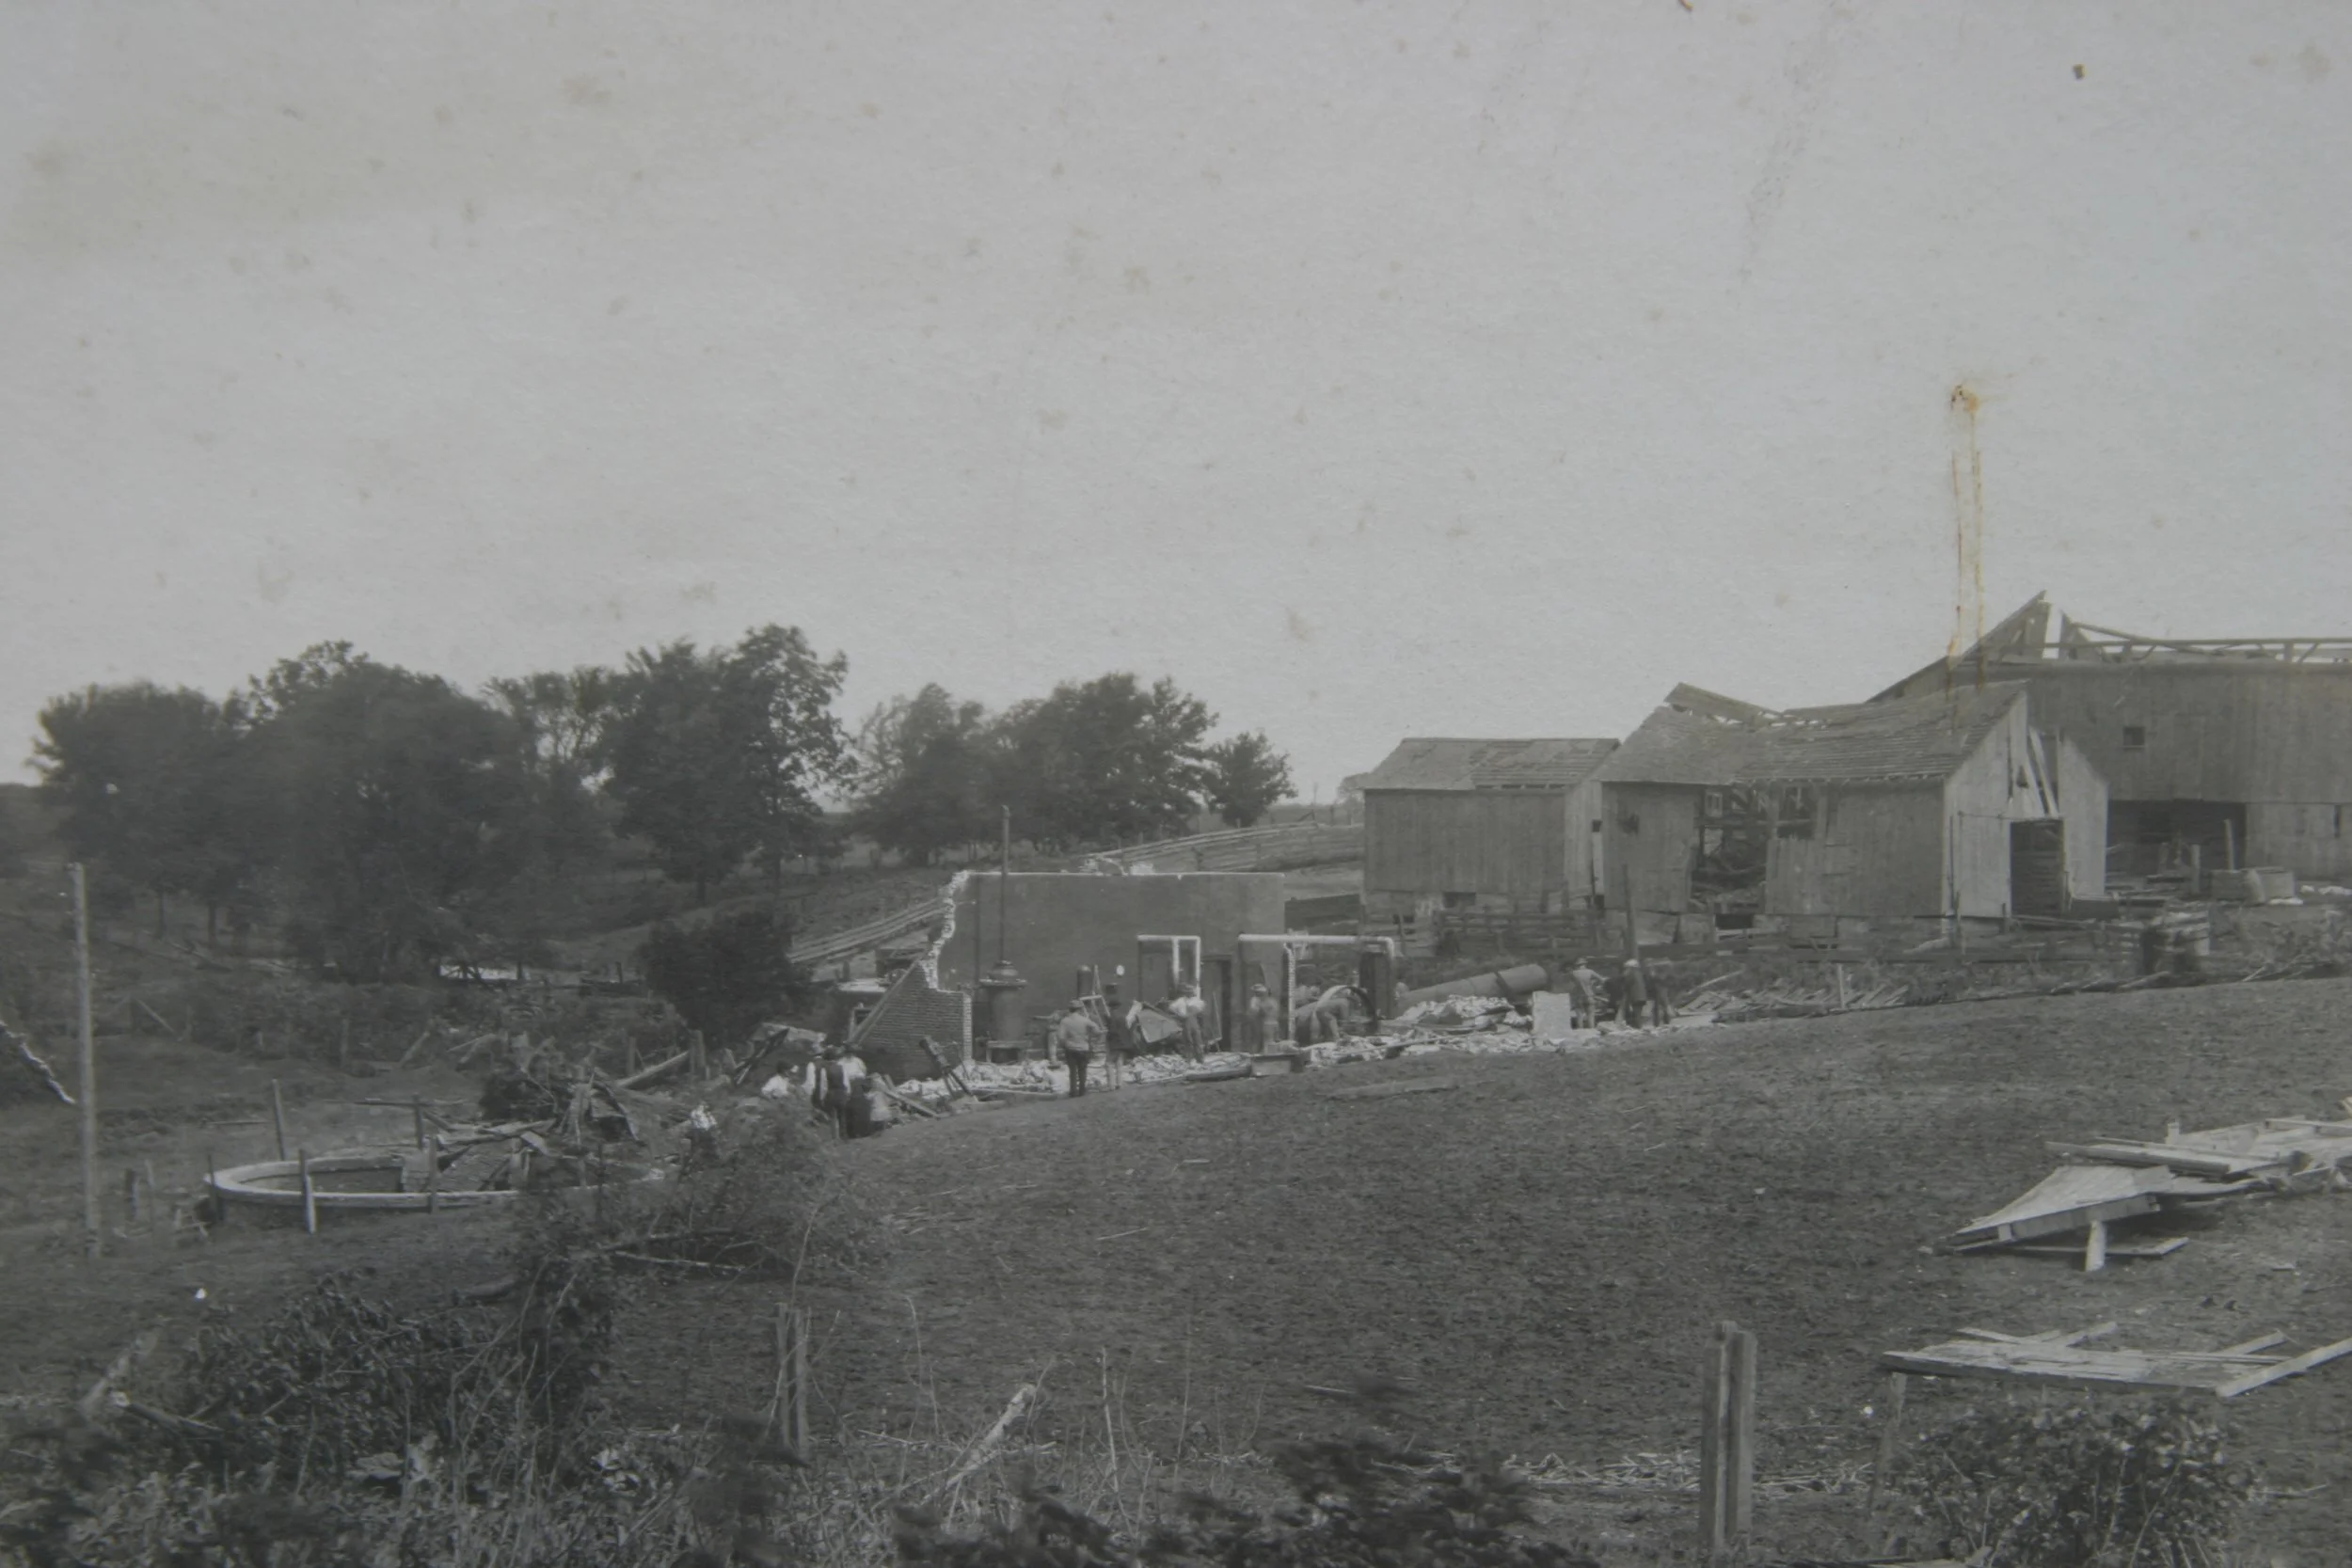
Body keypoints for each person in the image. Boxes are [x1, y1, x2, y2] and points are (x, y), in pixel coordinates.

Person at [1055, 999, 1100, 1097]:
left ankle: (1073, 1091)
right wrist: (1089, 1035)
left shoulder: (1064, 1021)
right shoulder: (1084, 1020)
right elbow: (1096, 1029)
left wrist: (1065, 1044)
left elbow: (1060, 1037)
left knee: (1072, 1071)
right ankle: (1082, 1091)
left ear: (1069, 1009)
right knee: (1082, 1070)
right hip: (1083, 1048)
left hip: (1070, 1048)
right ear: (1079, 1009)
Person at [1101, 984, 1135, 1089]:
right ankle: (1119, 1083)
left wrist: (1107, 1037)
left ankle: (1111, 1085)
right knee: (1119, 1064)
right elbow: (1127, 1030)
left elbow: (1112, 1031)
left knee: (1109, 1064)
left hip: (1114, 1044)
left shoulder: (1111, 1017)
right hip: (1123, 1044)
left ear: (1110, 1007)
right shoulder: (1122, 1017)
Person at [1166, 983, 1209, 1062]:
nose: (1190, 993)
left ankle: (1200, 1059)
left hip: (1194, 1020)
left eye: (1191, 991)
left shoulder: (1195, 1000)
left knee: (1197, 1039)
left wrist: (1196, 1010)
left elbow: (1203, 1005)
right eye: (1188, 991)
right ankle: (1189, 1059)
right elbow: (1171, 1007)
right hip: (1186, 1021)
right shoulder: (1181, 1000)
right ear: (1185, 992)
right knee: (1188, 1041)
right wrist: (1179, 1014)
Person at [1567, 958, 1605, 1029]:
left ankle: (1581, 1032)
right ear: (1585, 964)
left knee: (1580, 1016)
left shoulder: (1573, 973)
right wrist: (1594, 985)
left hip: (1578, 997)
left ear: (1577, 965)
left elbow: (1567, 984)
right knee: (1591, 1016)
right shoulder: (1590, 972)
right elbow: (1602, 980)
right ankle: (1592, 1031)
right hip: (1589, 995)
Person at [1244, 982, 1281, 1052]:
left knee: (1264, 1041)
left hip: (1266, 1023)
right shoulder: (1271, 1001)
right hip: (1270, 1023)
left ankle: (1264, 1054)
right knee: (1267, 1041)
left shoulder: (1260, 1000)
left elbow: (1255, 1011)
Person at [1620, 959, 1649, 1027]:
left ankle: (1638, 1027)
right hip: (1642, 996)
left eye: (1627, 968)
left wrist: (1624, 976)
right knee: (1638, 1012)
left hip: (1635, 996)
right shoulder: (1640, 973)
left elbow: (1626, 984)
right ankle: (1638, 1026)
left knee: (1636, 1014)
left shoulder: (1631, 974)